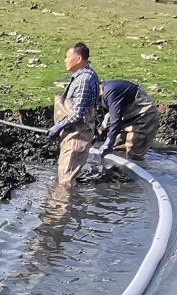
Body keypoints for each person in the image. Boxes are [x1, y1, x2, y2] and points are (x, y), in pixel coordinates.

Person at [46, 41, 101, 186]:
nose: (65, 60)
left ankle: (64, 207)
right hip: (72, 132)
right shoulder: (81, 76)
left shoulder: (84, 79)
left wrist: (58, 126)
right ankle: (62, 206)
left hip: (78, 135)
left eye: (67, 56)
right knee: (65, 175)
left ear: (78, 59)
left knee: (66, 181)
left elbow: (77, 114)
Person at [95, 78, 161, 162]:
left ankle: (139, 170)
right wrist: (98, 133)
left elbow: (115, 122)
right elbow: (109, 116)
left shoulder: (111, 91)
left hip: (145, 116)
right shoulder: (102, 95)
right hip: (128, 118)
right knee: (116, 150)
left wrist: (107, 144)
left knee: (133, 151)